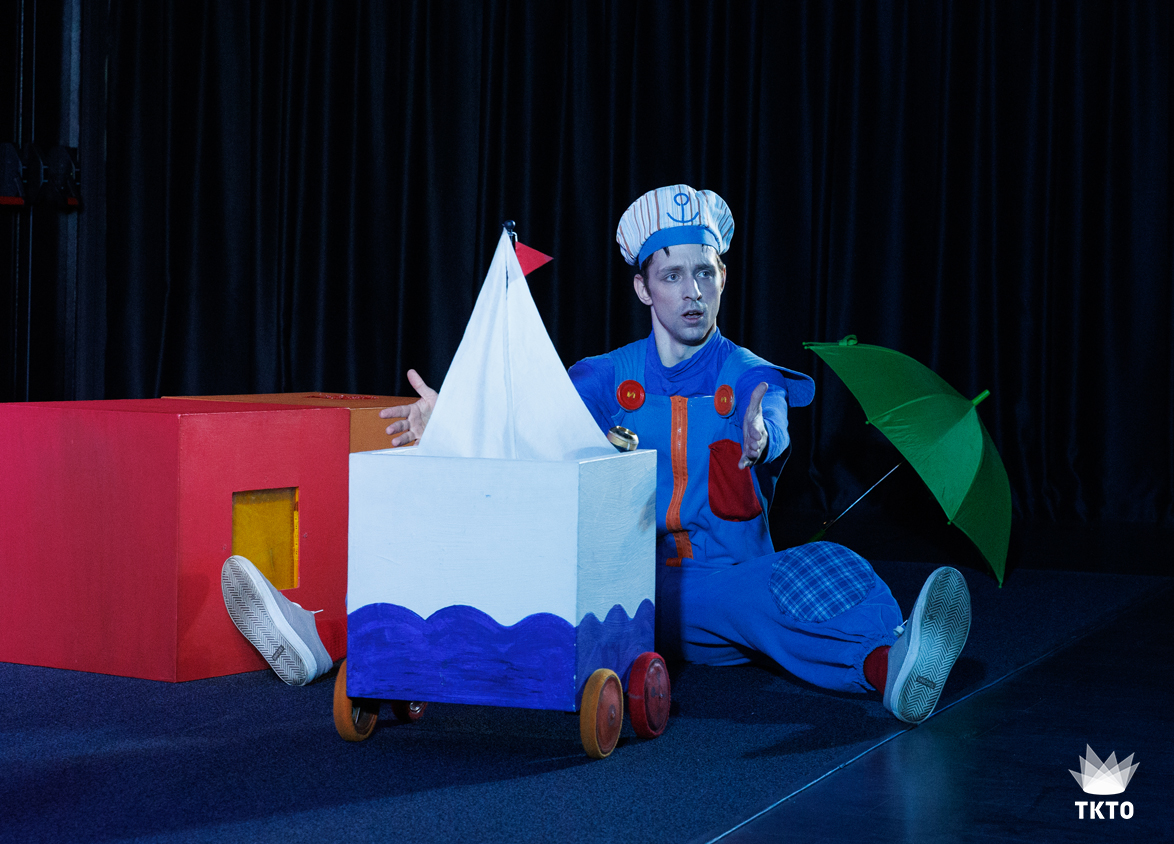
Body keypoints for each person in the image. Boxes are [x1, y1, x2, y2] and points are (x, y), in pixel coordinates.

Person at [226, 185, 971, 726]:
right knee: (489, 550)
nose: (692, 291)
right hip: (613, 578)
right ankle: (324, 638)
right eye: (672, 275)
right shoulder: (601, 379)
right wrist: (448, 420)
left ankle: (892, 664)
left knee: (819, 568)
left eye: (705, 272)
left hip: (717, 587)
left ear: (723, 278)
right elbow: (524, 434)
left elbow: (769, 415)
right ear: (643, 287)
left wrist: (762, 435)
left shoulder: (749, 375)